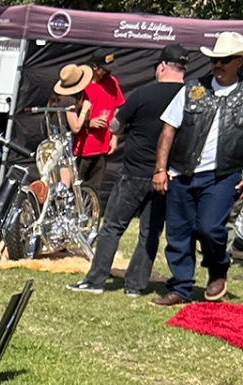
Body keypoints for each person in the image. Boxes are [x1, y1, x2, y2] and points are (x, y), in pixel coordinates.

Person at [70, 45, 184, 296]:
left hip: (134, 173)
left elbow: (115, 125)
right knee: (150, 232)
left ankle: (95, 280)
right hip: (167, 175)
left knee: (112, 226)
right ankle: (135, 286)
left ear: (162, 67)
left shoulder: (143, 94)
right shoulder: (189, 97)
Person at [151, 31, 243, 307]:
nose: (217, 65)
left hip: (223, 175)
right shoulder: (192, 89)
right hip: (182, 172)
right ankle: (181, 288)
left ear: (239, 61)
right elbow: (168, 129)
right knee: (178, 233)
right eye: (214, 60)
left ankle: (218, 269)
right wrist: (160, 169)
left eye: (224, 60)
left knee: (210, 227)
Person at [74, 52, 124, 199]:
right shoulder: (81, 85)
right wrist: (89, 123)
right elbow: (70, 114)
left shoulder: (112, 82)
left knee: (94, 188)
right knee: (76, 186)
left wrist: (114, 136)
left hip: (102, 145)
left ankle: (90, 212)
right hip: (82, 146)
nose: (109, 72)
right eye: (105, 68)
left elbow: (117, 109)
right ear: (95, 67)